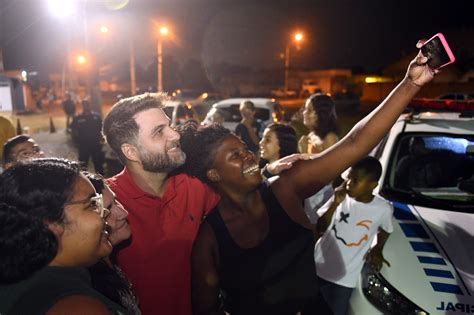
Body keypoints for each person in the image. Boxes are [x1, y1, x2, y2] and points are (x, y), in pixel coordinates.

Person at [179, 41, 434, 315]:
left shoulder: (286, 188)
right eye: (235, 156)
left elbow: (355, 143)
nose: (249, 156)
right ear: (213, 173)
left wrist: (410, 83)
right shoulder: (209, 239)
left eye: (245, 148)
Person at [102, 93, 220, 315]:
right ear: (130, 151)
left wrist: (268, 173)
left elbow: (240, 202)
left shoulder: (194, 187)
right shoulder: (107, 205)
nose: (175, 134)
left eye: (169, 125)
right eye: (159, 132)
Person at [0, 158, 126, 314]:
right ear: (51, 224)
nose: (104, 213)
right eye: (92, 205)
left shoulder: (26, 282)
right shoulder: (76, 308)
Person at [314, 156, 393, 315]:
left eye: (355, 180)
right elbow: (321, 227)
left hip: (345, 278)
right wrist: (335, 203)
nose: (349, 183)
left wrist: (378, 248)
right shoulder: (341, 197)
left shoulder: (383, 208)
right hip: (318, 267)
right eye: (349, 177)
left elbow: (386, 229)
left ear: (372, 185)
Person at [85, 172, 141, 314]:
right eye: (108, 210)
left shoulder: (112, 263)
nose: (123, 213)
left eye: (116, 201)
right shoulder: (88, 288)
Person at [299, 93, 340, 222]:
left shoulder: (329, 138)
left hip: (322, 195)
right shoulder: (311, 135)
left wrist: (305, 153)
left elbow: (330, 174)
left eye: (309, 110)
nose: (304, 113)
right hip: (310, 192)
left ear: (321, 114)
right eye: (305, 109)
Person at [70, 99, 105, 174]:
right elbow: (73, 130)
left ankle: (101, 182)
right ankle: (84, 183)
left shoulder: (96, 117)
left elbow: (101, 129)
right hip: (83, 145)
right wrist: (75, 142)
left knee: (98, 165)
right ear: (82, 106)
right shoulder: (78, 118)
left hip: (95, 144)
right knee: (83, 166)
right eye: (85, 104)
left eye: (87, 104)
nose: (86, 106)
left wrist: (102, 140)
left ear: (90, 105)